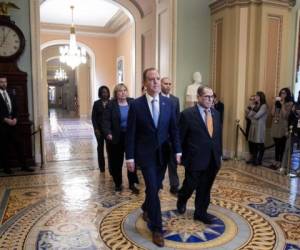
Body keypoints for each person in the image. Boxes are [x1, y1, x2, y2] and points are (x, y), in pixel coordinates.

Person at [126, 68, 181, 247]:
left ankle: (145, 208)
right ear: (144, 83)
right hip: (146, 154)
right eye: (152, 79)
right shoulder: (136, 105)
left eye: (158, 78)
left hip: (163, 154)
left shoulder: (169, 103)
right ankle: (157, 228)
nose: (156, 82)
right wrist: (130, 157)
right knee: (151, 185)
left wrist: (178, 151)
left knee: (155, 187)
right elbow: (131, 133)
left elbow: (174, 129)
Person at [177, 86, 222, 224]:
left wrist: (219, 154)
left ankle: (200, 213)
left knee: (205, 187)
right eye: (207, 96)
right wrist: (179, 155)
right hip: (194, 158)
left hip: (212, 158)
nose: (210, 99)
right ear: (199, 98)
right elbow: (180, 137)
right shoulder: (187, 114)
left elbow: (218, 136)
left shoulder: (216, 114)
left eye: (212, 96)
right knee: (190, 184)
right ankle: (182, 198)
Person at [102, 84, 139, 193]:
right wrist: (108, 133)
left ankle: (132, 183)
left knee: (131, 160)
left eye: (124, 90)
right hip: (116, 137)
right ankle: (118, 183)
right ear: (116, 93)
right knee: (116, 162)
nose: (123, 93)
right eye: (120, 91)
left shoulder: (132, 103)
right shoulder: (111, 105)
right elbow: (105, 121)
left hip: (130, 136)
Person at [0, 76, 34, 174]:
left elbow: (16, 108)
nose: (3, 84)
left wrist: (15, 118)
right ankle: (7, 169)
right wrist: (5, 119)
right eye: (1, 82)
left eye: (5, 82)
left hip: (14, 125)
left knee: (19, 145)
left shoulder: (10, 93)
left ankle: (24, 166)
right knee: (4, 148)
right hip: (2, 126)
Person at [160, 77, 180, 194]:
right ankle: (159, 183)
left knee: (173, 163)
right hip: (160, 137)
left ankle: (174, 185)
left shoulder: (175, 100)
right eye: (165, 83)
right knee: (161, 162)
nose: (168, 86)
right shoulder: (157, 98)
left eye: (169, 84)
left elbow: (177, 119)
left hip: (171, 138)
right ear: (161, 84)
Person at [270, 88, 293, 169]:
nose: (282, 95)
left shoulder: (289, 103)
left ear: (287, 95)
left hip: (283, 126)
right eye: (281, 93)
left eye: (284, 93)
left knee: (281, 145)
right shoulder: (277, 103)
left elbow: (285, 115)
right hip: (276, 125)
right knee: (276, 145)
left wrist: (282, 104)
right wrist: (274, 104)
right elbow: (272, 113)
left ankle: (280, 162)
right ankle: (276, 160)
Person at [91, 86, 110, 173]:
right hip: (99, 130)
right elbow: (93, 117)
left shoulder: (112, 103)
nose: (104, 94)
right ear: (100, 93)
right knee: (100, 148)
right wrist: (96, 129)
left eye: (106, 92)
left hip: (109, 130)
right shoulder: (96, 103)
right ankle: (102, 167)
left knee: (110, 149)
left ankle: (111, 167)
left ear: (108, 93)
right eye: (102, 92)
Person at [247, 91, 268, 166]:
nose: (254, 97)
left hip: (260, 127)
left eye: (256, 96)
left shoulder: (264, 106)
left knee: (260, 143)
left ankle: (259, 160)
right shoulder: (255, 106)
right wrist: (252, 109)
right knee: (254, 143)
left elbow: (257, 116)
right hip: (253, 126)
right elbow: (249, 116)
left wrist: (253, 112)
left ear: (259, 97)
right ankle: (254, 159)